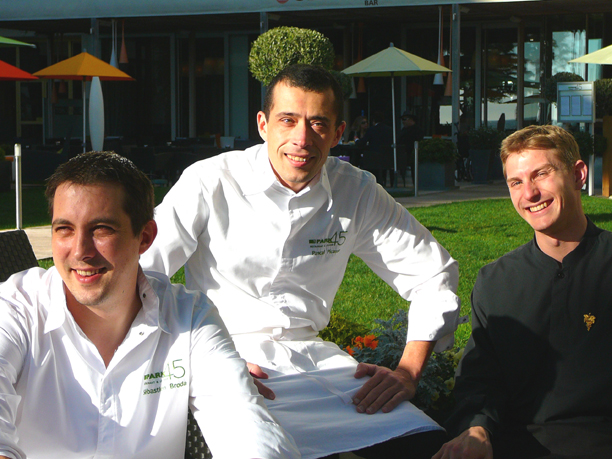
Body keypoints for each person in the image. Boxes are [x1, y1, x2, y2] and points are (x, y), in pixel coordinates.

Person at [140, 64, 460, 459]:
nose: (302, 139)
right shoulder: (211, 181)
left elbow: (433, 273)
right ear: (263, 124)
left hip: (319, 365)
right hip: (227, 359)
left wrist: (408, 371)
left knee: (429, 447)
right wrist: (196, 359)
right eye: (288, 120)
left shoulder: (355, 191)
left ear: (339, 133)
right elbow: (140, 274)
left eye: (318, 124)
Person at [0, 151, 300, 459]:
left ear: (145, 237)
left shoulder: (189, 318)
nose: (80, 251)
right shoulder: (16, 309)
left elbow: (244, 426)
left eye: (101, 229)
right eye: (64, 229)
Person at [433, 125, 612, 459]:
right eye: (516, 182)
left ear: (578, 175)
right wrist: (477, 429)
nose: (529, 193)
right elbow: (480, 381)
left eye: (541, 174)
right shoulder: (496, 281)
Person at [356, 110, 394, 186]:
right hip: (388, 157)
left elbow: (362, 143)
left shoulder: (372, 130)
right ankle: (387, 182)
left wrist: (356, 140)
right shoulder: (390, 130)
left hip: (374, 158)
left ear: (373, 121)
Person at [397, 112, 423, 186]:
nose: (403, 121)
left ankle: (416, 183)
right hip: (403, 153)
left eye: (404, 119)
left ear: (411, 119)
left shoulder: (417, 130)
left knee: (414, 169)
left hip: (413, 153)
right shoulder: (403, 130)